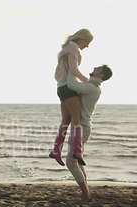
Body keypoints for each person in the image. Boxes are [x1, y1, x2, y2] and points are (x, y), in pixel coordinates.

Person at [49, 28, 100, 167]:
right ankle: (77, 151)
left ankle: (56, 150)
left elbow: (56, 73)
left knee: (65, 120)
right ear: (82, 39)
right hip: (68, 87)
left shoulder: (65, 48)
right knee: (76, 119)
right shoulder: (72, 48)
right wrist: (88, 81)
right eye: (88, 43)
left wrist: (63, 82)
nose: (87, 46)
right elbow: (73, 70)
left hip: (60, 87)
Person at [65, 65, 113, 202]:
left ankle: (86, 195)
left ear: (101, 75)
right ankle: (86, 194)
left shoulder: (92, 88)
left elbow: (71, 84)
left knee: (71, 162)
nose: (94, 67)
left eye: (98, 68)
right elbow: (76, 84)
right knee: (77, 164)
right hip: (81, 127)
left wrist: (71, 68)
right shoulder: (91, 85)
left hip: (81, 128)